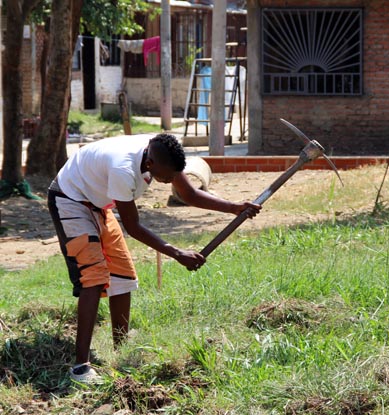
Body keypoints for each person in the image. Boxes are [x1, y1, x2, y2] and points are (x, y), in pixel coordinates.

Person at [47, 133, 261, 383]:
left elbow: (189, 194)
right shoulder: (123, 169)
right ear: (149, 164)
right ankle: (80, 366)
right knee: (92, 277)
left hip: (98, 203)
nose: (170, 181)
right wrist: (177, 253)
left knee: (123, 277)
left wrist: (234, 207)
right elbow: (133, 227)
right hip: (70, 198)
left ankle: (121, 349)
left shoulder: (163, 152)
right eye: (167, 177)